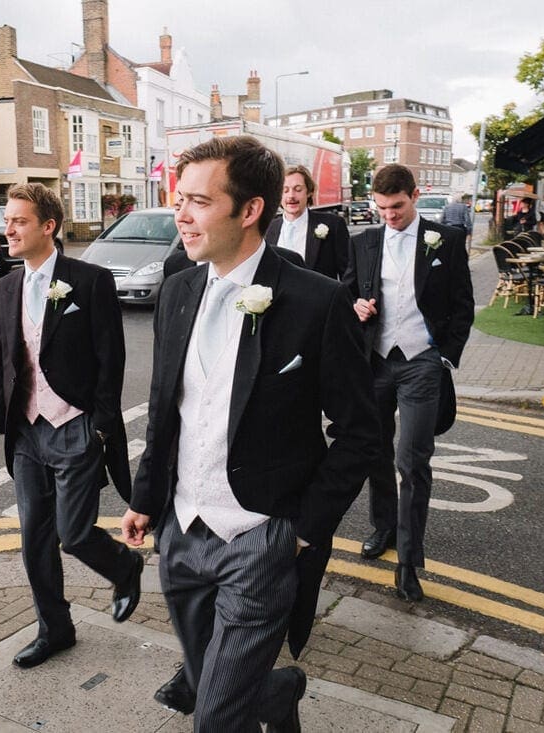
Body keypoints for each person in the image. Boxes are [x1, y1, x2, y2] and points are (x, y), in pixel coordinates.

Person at [122, 136, 379, 731]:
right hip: (180, 532)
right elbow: (165, 409)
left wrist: (302, 530)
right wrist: (145, 497)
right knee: (215, 680)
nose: (182, 216)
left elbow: (361, 432)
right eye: (180, 201)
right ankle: (277, 692)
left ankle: (263, 693)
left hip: (260, 537)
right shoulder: (178, 289)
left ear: (250, 209)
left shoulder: (317, 301)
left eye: (199, 202)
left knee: (214, 718)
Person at [0, 182, 143, 669]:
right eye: (7, 221)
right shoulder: (5, 288)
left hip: (75, 424)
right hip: (26, 431)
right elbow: (5, 364)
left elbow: (111, 360)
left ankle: (124, 566)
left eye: (19, 221)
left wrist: (101, 425)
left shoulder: (90, 281)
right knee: (35, 540)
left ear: (48, 226)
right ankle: (55, 629)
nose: (9, 230)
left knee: (74, 534)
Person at [345, 163, 475, 603]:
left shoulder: (446, 240)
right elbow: (347, 292)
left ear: (415, 196)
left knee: (413, 460)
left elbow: (463, 305)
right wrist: (357, 307)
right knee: (376, 452)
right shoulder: (363, 242)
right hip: (377, 361)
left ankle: (407, 561)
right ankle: (383, 526)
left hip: (422, 361)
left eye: (397, 207)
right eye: (382, 208)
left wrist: (444, 357)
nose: (390, 216)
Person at [262, 164, 350, 279]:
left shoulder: (334, 224)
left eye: (298, 189)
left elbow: (348, 273)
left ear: (309, 192)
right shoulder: (267, 228)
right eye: (285, 190)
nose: (291, 196)